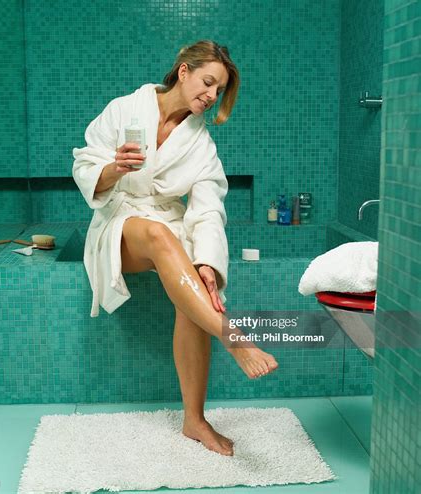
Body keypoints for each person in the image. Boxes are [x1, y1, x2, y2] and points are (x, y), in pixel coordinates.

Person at [72, 40, 278, 456]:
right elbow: (83, 165)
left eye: (218, 91)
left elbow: (206, 210)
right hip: (120, 225)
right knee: (160, 235)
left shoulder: (201, 145)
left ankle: (195, 420)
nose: (210, 95)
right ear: (183, 71)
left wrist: (207, 264)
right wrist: (114, 169)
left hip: (165, 227)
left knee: (197, 287)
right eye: (207, 82)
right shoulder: (123, 109)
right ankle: (232, 335)